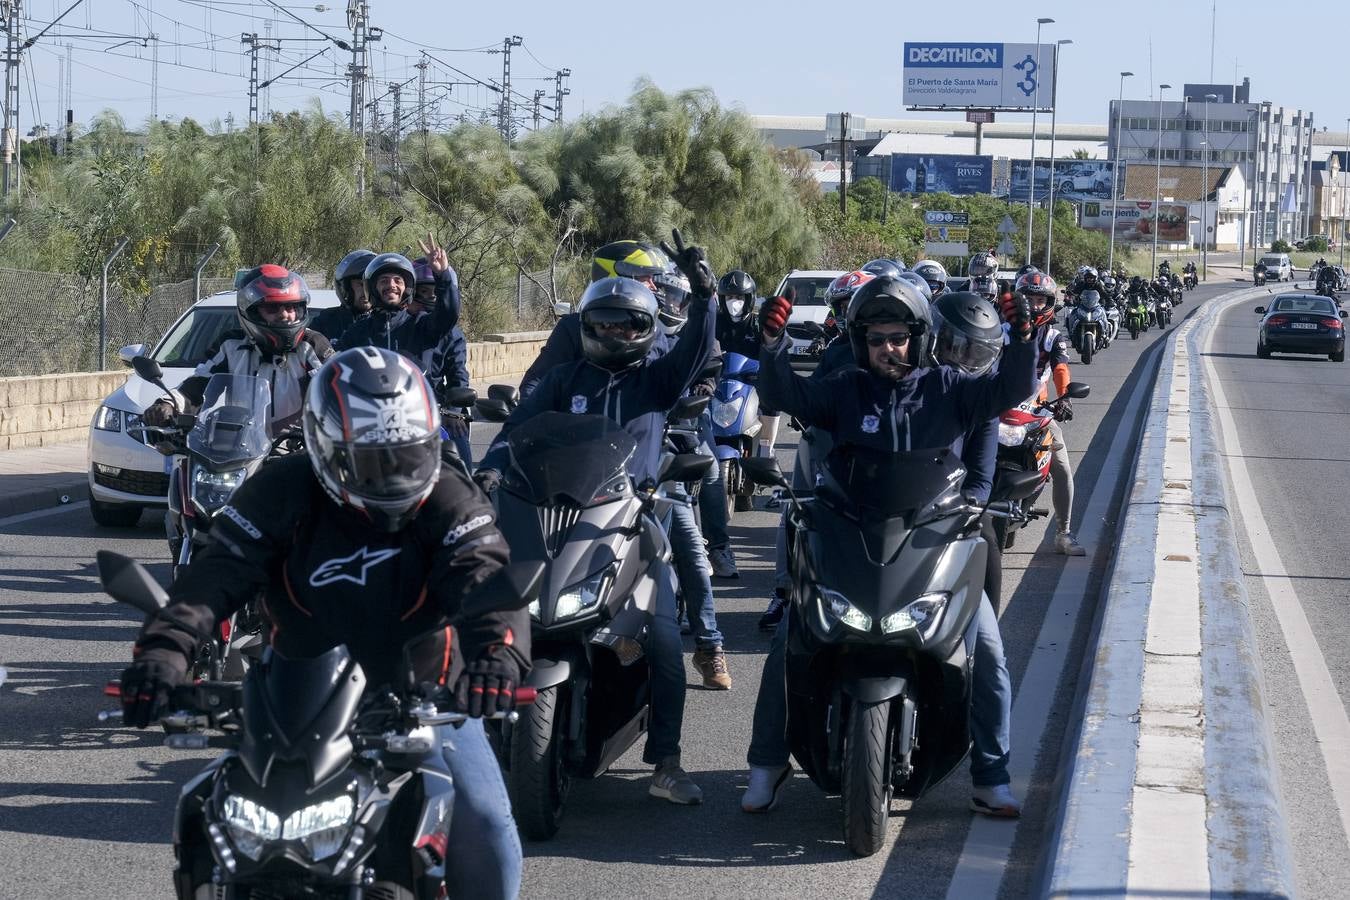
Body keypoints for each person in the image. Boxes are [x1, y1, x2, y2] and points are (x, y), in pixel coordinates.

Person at [120, 346, 529, 900]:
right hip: (295, 700)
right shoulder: (280, 489)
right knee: (206, 809)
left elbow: (482, 577)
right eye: (373, 461)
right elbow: (215, 575)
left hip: (426, 696)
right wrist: (164, 654)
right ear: (324, 448)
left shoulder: (451, 496)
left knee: (482, 819)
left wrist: (496, 656)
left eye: (407, 456)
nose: (395, 475)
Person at [740, 275, 1039, 818]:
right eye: (877, 339)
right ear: (861, 343)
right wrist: (773, 347)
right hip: (855, 540)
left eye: (898, 337)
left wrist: (1022, 338)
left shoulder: (951, 388)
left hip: (935, 540)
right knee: (789, 642)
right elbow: (787, 396)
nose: (888, 349)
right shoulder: (845, 390)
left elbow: (1009, 393)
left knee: (989, 655)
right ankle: (766, 763)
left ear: (918, 338)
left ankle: (990, 775)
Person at [475, 232, 718, 803]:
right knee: (484, 612)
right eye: (603, 323)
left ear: (648, 328)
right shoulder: (564, 380)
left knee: (661, 635)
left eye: (628, 325)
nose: (615, 334)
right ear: (586, 327)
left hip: (633, 516)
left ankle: (666, 762)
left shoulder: (657, 380)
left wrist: (706, 298)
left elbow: (696, 355)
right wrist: (488, 469)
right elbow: (517, 430)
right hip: (554, 511)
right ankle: (471, 738)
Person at [143, 264, 332, 433]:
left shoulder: (312, 345)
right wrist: (167, 405)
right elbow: (198, 384)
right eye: (272, 308)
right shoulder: (231, 344)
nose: (284, 315)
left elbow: (335, 391)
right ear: (250, 311)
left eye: (291, 307)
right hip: (241, 448)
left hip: (297, 450)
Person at [1015, 271, 1085, 555]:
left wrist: (1064, 398)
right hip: (997, 408)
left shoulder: (1053, 337)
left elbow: (1060, 368)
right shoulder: (1000, 330)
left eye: (1039, 299)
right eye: (1027, 299)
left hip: (1035, 411)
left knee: (1062, 468)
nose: (1033, 305)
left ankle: (1063, 533)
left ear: (1049, 303)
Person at [335, 235, 460, 361]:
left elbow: (448, 314)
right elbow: (335, 365)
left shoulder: (421, 326)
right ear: (373, 288)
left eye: (398, 281)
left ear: (407, 288)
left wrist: (443, 275)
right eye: (384, 281)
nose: (391, 285)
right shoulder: (357, 331)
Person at [311, 248, 374, 342]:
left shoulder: (388, 323)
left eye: (370, 285)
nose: (366, 291)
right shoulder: (325, 322)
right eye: (361, 285)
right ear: (345, 289)